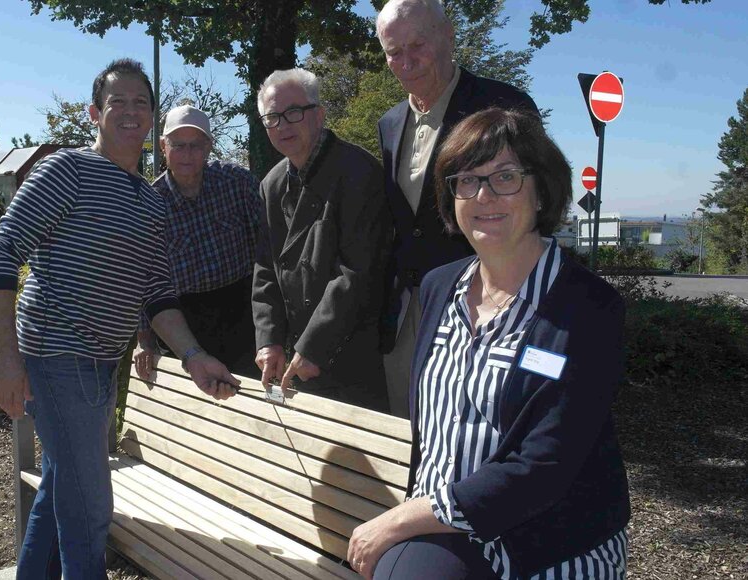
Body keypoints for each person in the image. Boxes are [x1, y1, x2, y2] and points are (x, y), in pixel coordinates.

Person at [0, 58, 239, 580]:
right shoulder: (67, 170)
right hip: (56, 355)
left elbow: (158, 294)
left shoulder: (149, 201)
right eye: (117, 101)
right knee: (90, 506)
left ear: (151, 120)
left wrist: (193, 356)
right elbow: (1, 254)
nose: (129, 111)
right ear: (94, 113)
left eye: (140, 103)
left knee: (62, 485)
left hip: (102, 364)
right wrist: (5, 357)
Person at [346, 108, 630, 579]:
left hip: (547, 541)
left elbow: (546, 467)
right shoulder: (439, 287)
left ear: (542, 189)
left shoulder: (589, 309)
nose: (484, 195)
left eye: (505, 176)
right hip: (441, 530)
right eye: (467, 180)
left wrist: (400, 519)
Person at [376, 0, 540, 418]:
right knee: (407, 432)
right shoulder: (390, 123)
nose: (407, 61)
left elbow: (535, 205)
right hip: (407, 310)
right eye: (394, 52)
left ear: (448, 36)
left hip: (484, 308)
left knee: (470, 430)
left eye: (418, 45)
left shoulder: (501, 105)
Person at [252, 68, 390, 412]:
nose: (283, 125)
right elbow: (266, 267)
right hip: (293, 358)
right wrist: (268, 340)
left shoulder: (359, 171)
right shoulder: (271, 184)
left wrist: (314, 346)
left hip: (349, 355)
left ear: (320, 114)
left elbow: (358, 272)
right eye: (272, 118)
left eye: (293, 113)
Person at [133, 105, 262, 380]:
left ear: (209, 147)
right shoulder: (150, 203)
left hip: (241, 313)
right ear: (163, 147)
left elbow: (266, 251)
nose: (187, 155)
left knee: (247, 404)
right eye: (178, 145)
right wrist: (143, 340)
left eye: (196, 145)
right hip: (182, 322)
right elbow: (144, 279)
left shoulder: (236, 182)